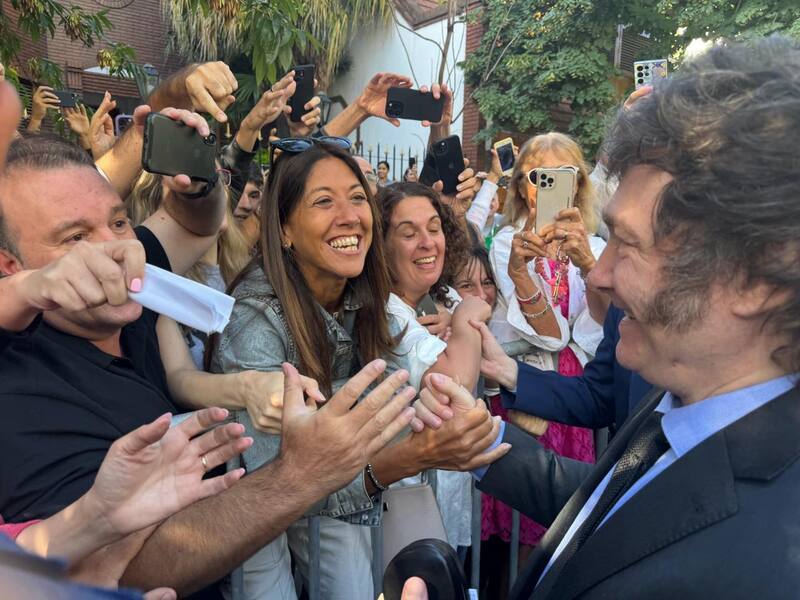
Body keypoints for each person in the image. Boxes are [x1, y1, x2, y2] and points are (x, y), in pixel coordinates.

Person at [435, 35, 800, 598]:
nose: (598, 274)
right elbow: (627, 503)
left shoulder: (770, 559)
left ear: (752, 279)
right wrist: (479, 438)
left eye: (626, 244)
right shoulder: (680, 390)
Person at [209, 139, 497, 599]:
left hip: (341, 508)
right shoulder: (255, 321)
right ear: (284, 229)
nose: (349, 215)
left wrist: (450, 421)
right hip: (255, 520)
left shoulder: (365, 297)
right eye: (324, 201)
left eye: (358, 197)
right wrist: (402, 458)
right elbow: (276, 489)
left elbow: (430, 389)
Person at [378, 182, 490, 551]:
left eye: (434, 228)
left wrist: (456, 321)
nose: (427, 242)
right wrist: (467, 319)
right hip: (405, 499)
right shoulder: (387, 311)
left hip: (449, 491)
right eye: (409, 233)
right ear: (381, 245)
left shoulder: (445, 296)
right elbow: (452, 382)